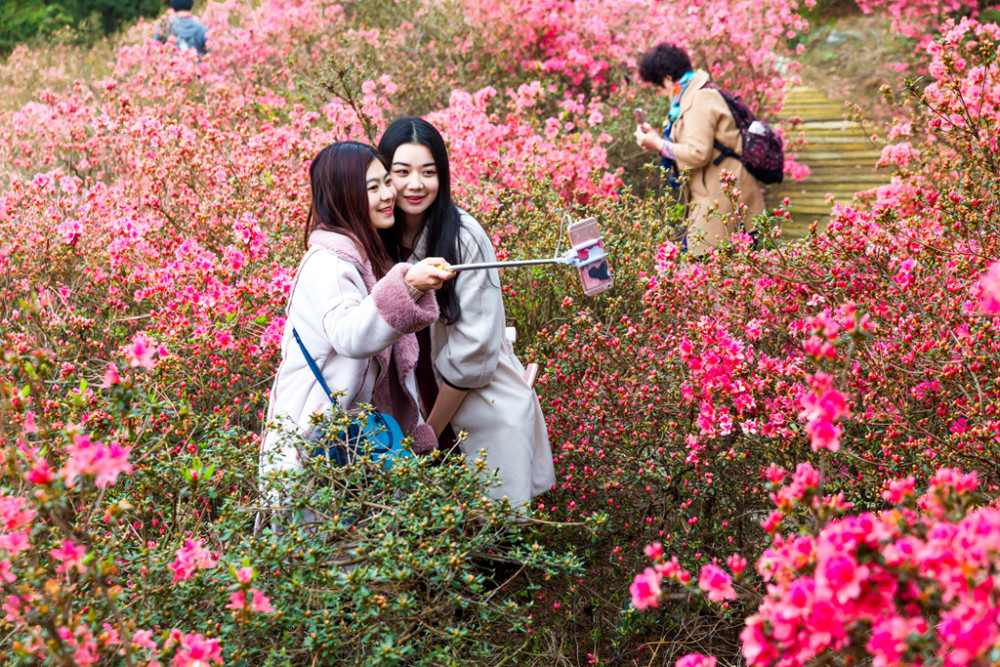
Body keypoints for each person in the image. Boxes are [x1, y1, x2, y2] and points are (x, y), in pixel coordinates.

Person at [377, 117, 555, 509]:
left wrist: (430, 434)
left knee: (485, 536)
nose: (415, 184)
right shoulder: (376, 234)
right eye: (401, 172)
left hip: (468, 405)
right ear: (383, 174)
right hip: (407, 403)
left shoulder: (464, 237)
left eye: (429, 172)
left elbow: (475, 351)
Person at [260, 141, 455, 492]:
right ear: (343, 196)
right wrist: (407, 285)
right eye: (372, 187)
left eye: (385, 182)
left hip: (352, 443)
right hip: (319, 443)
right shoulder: (329, 264)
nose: (387, 195)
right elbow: (352, 337)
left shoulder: (366, 258)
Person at [633, 42, 764, 256]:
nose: (657, 92)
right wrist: (657, 141)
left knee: (707, 276)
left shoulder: (700, 98)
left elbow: (697, 153)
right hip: (713, 197)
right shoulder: (686, 98)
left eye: (657, 85)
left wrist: (658, 144)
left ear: (667, 77)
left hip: (723, 200)